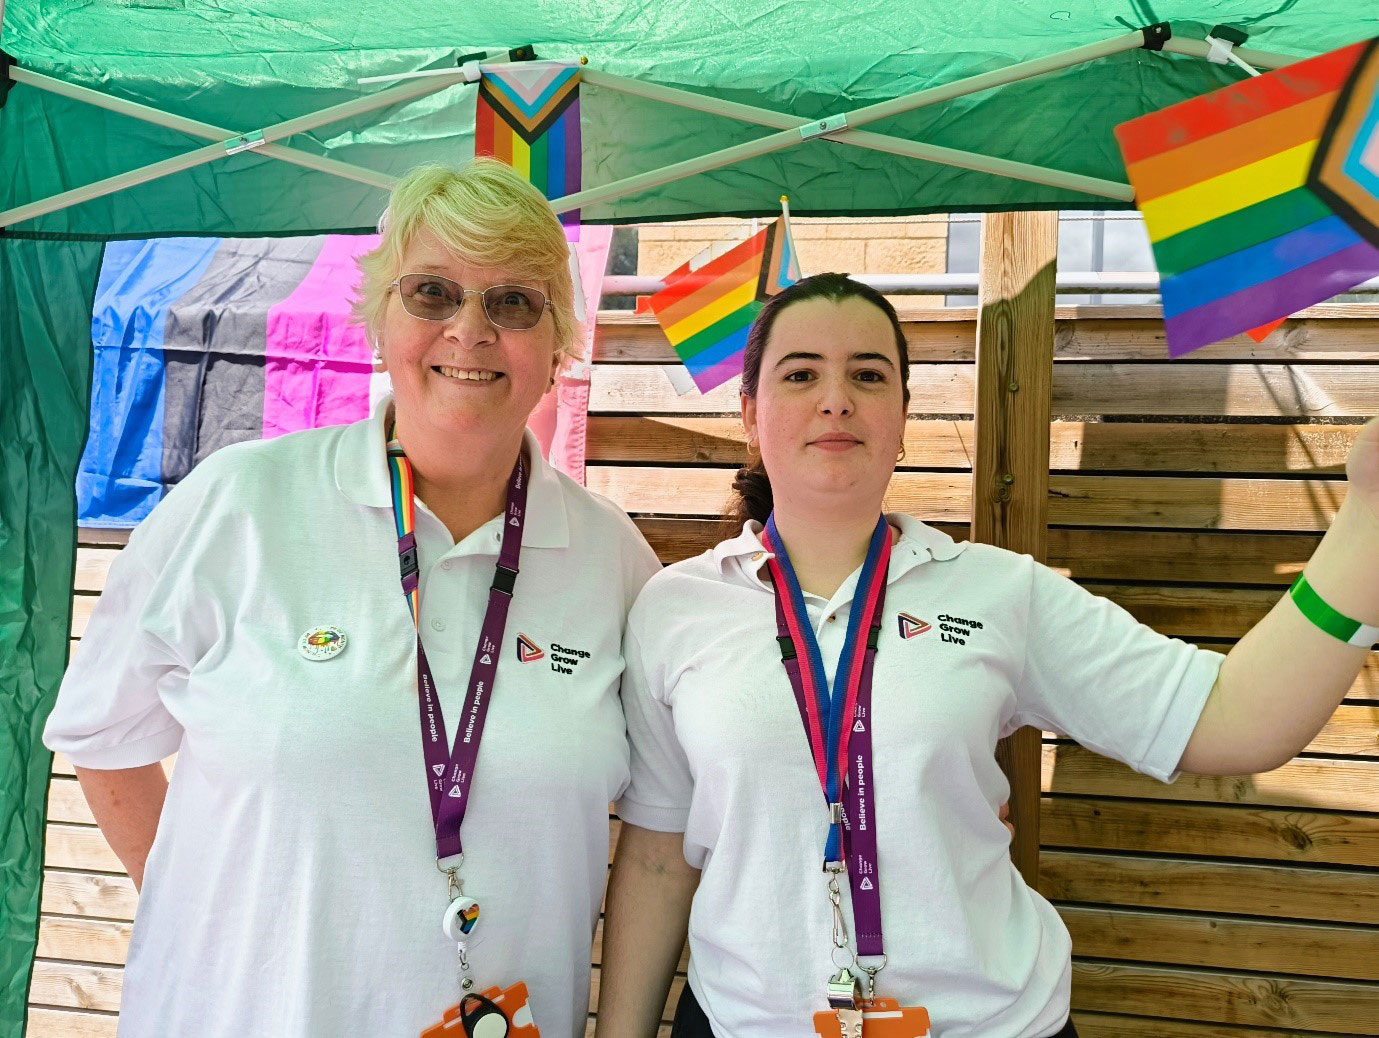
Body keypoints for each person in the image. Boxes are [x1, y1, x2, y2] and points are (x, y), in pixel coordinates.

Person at [596, 272, 1379, 1038]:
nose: (835, 397)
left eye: (868, 374)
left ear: (903, 417)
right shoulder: (676, 608)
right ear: (749, 413)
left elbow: (1232, 720)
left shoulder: (998, 593)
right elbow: (660, 858)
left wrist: (1366, 522)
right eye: (800, 373)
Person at [44, 159, 661, 1038]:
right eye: (433, 293)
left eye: (513, 302)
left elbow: (662, 822)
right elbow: (103, 742)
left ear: (558, 340)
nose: (470, 330)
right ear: (379, 318)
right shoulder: (239, 506)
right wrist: (215, 931)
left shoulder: (615, 563)